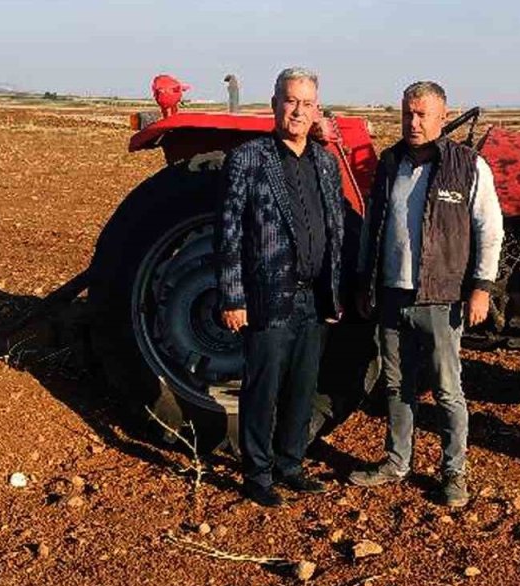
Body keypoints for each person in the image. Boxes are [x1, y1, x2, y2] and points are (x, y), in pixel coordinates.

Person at [350, 80, 504, 508]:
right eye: (407, 114)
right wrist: (365, 281)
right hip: (391, 294)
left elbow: (489, 230)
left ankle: (454, 472)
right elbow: (372, 228)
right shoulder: (389, 162)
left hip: (440, 295)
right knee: (397, 385)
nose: (413, 123)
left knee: (447, 390)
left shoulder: (467, 166)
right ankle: (397, 461)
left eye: (421, 115)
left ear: (442, 115)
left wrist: (481, 288)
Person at [215, 67, 345, 507]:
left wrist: (336, 289)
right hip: (267, 294)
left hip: (313, 295)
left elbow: (336, 228)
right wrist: (232, 296)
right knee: (263, 387)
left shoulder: (325, 162)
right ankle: (257, 473)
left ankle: (290, 464)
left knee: (303, 387)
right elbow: (229, 233)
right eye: (291, 101)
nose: (298, 110)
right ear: (274, 104)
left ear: (316, 110)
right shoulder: (249, 158)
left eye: (307, 103)